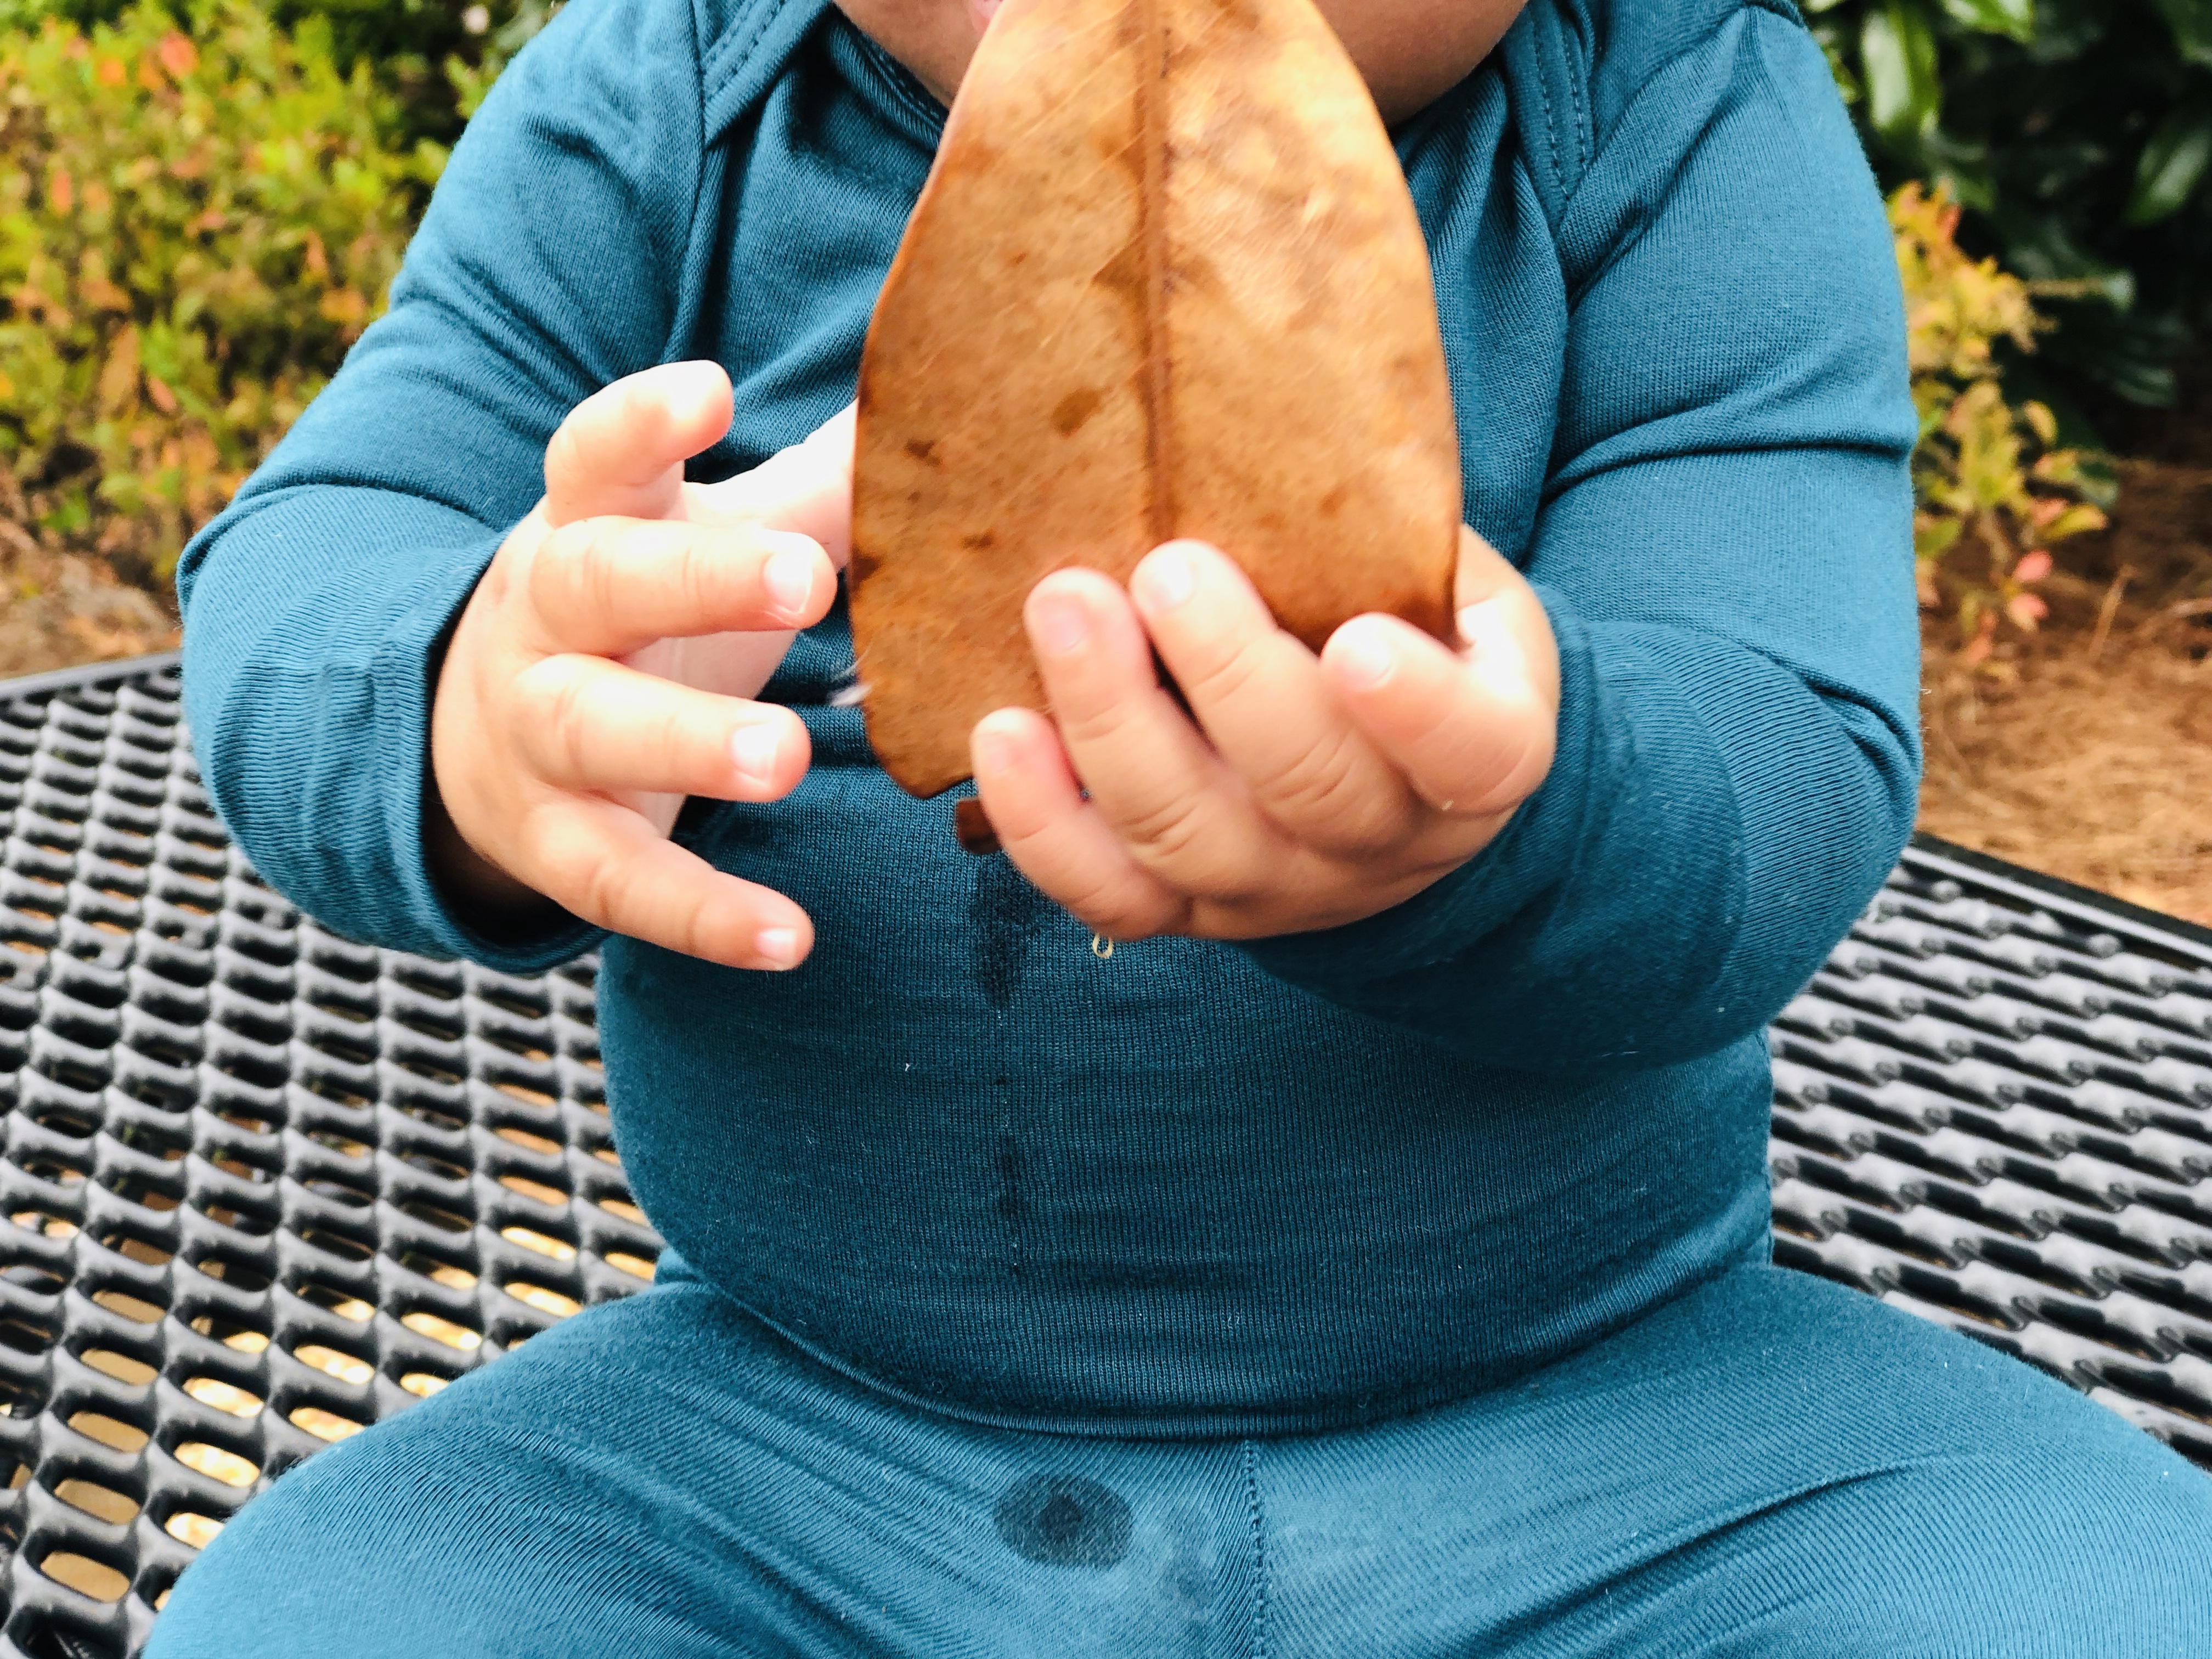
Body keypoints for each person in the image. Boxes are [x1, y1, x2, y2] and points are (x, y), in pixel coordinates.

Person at [146, 0, 2212, 1651]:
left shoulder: (1675, 109)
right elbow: (323, 543)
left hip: (1628, 1442)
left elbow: (1787, 748)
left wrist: (1516, 797)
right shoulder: (670, 96)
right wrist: (473, 701)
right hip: (785, 1458)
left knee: (2111, 1600)